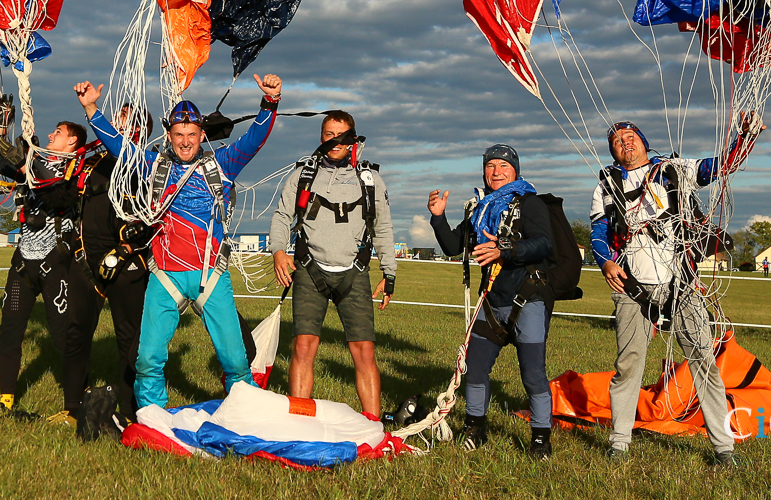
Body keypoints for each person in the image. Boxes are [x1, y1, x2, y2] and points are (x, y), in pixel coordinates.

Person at [77, 72, 280, 411]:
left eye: (191, 134)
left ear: (202, 135)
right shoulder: (151, 166)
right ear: (169, 136)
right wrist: (92, 109)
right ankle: (153, 419)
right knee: (147, 360)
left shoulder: (223, 164)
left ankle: (243, 418)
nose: (185, 141)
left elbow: (253, 139)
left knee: (235, 361)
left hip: (210, 277)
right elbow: (119, 146)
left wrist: (270, 102)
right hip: (165, 276)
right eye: (178, 134)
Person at [590, 118, 760, 467]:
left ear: (643, 141)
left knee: (703, 361)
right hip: (632, 288)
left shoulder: (672, 171)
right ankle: (619, 442)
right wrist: (606, 262)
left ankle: (723, 448)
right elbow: (598, 231)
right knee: (628, 365)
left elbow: (723, 165)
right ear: (612, 152)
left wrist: (747, 134)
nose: (625, 143)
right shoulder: (606, 186)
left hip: (681, 283)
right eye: (617, 141)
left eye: (631, 136)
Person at [427, 144, 554, 459]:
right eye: (490, 165)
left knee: (533, 373)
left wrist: (504, 248)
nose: (496, 171)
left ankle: (540, 439)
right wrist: (438, 219)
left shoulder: (530, 202)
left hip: (528, 299)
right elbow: (454, 246)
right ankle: (476, 426)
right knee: (477, 368)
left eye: (503, 165)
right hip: (492, 302)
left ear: (515, 170)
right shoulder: (479, 207)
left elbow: (543, 244)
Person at [268, 110, 396, 419]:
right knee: (303, 347)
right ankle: (299, 422)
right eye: (328, 134)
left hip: (355, 273)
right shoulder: (303, 175)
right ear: (321, 137)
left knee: (364, 351)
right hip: (310, 271)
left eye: (341, 135)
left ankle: (373, 426)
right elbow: (283, 216)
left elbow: (383, 228)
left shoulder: (369, 179)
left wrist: (389, 273)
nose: (335, 141)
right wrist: (277, 252)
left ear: (353, 139)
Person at [0, 107, 97, 427]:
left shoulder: (78, 168)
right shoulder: (34, 163)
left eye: (58, 133)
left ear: (72, 141)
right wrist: (0, 130)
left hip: (56, 262)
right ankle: (5, 399)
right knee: (10, 330)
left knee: (64, 335)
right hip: (24, 261)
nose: (50, 135)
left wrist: (29, 160)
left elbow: (57, 193)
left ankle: (81, 398)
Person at [76, 104, 154, 434]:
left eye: (122, 119)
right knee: (76, 333)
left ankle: (131, 410)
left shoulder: (142, 163)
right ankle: (74, 403)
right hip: (88, 262)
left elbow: (149, 219)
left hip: (126, 265)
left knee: (129, 340)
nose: (115, 123)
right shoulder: (94, 162)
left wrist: (92, 110)